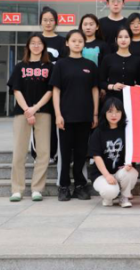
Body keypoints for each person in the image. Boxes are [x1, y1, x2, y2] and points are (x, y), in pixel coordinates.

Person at [50, 30, 100, 202]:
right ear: (67, 43)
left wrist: (95, 113)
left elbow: (95, 90)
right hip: (65, 117)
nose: (77, 43)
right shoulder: (61, 64)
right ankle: (63, 186)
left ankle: (80, 185)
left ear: (84, 44)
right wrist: (58, 114)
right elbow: (56, 91)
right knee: (64, 154)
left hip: (85, 116)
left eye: (80, 41)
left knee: (81, 153)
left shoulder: (90, 65)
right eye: (74, 41)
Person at [7, 35, 53, 202]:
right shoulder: (20, 66)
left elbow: (50, 90)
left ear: (44, 46)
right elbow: (16, 89)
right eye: (32, 43)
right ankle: (17, 189)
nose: (36, 45)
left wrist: (35, 108)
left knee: (43, 152)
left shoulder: (49, 67)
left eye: (39, 43)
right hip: (22, 112)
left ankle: (37, 189)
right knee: (19, 151)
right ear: (28, 46)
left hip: (43, 111)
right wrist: (27, 110)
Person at [89, 97, 138, 208]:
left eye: (117, 111)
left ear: (122, 113)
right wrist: (107, 175)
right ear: (105, 113)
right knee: (110, 191)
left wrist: (129, 163)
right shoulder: (98, 132)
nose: (114, 115)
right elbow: (96, 156)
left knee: (131, 173)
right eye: (110, 111)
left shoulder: (127, 131)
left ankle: (124, 196)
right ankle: (108, 197)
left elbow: (132, 150)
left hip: (120, 171)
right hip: (101, 174)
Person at [35, 7, 66, 162]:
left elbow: (64, 64)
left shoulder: (62, 41)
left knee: (54, 120)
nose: (48, 23)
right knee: (38, 122)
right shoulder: (35, 39)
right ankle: (39, 153)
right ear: (41, 22)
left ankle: (54, 152)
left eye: (51, 20)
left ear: (56, 22)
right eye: (45, 20)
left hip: (56, 87)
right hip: (37, 86)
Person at [99, 27, 140, 102]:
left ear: (130, 39)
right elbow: (101, 81)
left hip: (131, 99)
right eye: (120, 37)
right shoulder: (108, 58)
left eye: (126, 37)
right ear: (116, 40)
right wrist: (113, 86)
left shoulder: (137, 60)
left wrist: (137, 87)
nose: (123, 40)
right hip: (112, 99)